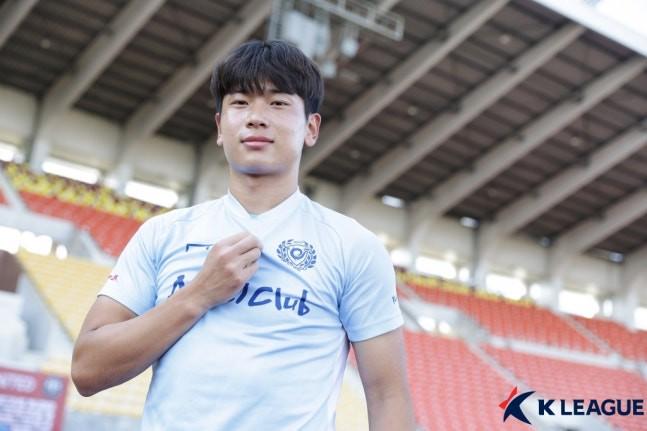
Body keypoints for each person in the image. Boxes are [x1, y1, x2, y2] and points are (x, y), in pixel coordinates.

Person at [71, 40, 415, 431]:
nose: (256, 117)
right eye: (240, 103)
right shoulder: (163, 233)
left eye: (278, 103)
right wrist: (199, 293)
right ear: (220, 127)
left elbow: (388, 395)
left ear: (311, 128)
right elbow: (87, 369)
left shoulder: (352, 246)